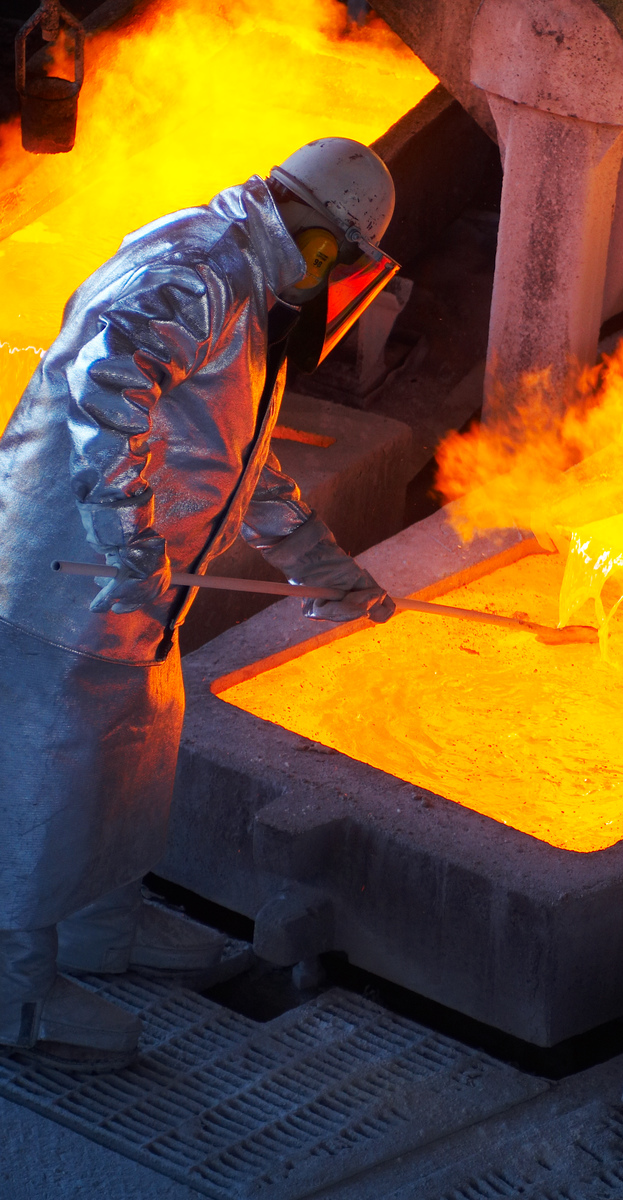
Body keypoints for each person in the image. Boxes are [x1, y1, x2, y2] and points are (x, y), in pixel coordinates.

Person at [0, 137, 398, 1069]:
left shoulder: (249, 291)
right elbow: (100, 390)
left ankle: (100, 932)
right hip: (68, 579)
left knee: (125, 758)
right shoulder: (201, 271)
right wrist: (125, 544)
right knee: (44, 784)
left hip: (135, 582)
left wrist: (316, 561)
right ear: (324, 240)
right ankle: (13, 993)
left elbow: (237, 453)